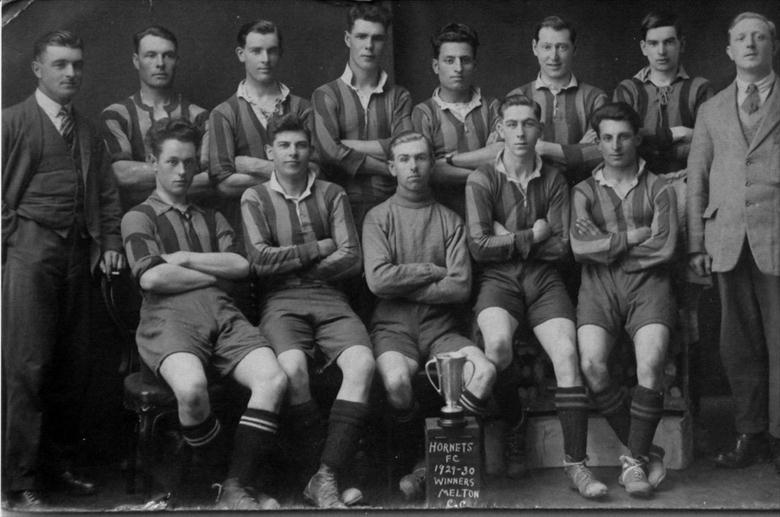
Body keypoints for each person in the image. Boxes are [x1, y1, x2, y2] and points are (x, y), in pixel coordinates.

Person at [121, 118, 287, 510]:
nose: (182, 171)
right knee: (192, 390)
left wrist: (186, 258)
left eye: (189, 162)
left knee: (274, 378)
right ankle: (222, 481)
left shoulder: (212, 216)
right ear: (152, 162)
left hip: (223, 314)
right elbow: (152, 277)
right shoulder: (139, 216)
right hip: (168, 319)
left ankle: (234, 485)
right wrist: (207, 274)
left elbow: (241, 265)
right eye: (172, 162)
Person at [2, 30, 124, 509]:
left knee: (74, 368)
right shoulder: (10, 122)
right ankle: (19, 481)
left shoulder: (89, 129)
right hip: (29, 251)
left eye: (76, 64)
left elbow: (108, 195)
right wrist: (12, 239)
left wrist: (110, 241)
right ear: (37, 68)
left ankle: (58, 467)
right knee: (26, 366)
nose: (71, 73)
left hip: (79, 254)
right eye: (60, 64)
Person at [466, 95, 606, 499]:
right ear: (499, 130)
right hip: (499, 280)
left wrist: (506, 237)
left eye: (529, 124)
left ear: (539, 130)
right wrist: (532, 235)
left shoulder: (555, 179)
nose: (521, 132)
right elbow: (478, 248)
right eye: (512, 124)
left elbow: (561, 247)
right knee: (496, 346)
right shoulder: (482, 179)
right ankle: (514, 424)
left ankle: (577, 465)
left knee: (566, 354)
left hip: (545, 280)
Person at [241, 114, 375, 508]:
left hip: (330, 298)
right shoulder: (255, 197)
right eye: (284, 145)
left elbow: (351, 257)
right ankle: (312, 475)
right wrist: (317, 248)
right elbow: (260, 261)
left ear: (310, 150)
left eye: (300, 145)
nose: (293, 152)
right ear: (270, 152)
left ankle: (327, 475)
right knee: (293, 369)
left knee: (363, 364)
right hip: (280, 302)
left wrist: (298, 265)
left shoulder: (332, 194)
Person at [363, 131, 497, 500]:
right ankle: (414, 458)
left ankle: (430, 465)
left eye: (420, 158)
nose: (413, 166)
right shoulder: (378, 217)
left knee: (483, 372)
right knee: (396, 382)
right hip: (393, 328)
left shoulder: (450, 220)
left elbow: (459, 288)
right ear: (392, 166)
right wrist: (430, 269)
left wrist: (402, 278)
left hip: (442, 330)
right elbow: (378, 281)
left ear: (432, 162)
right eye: (404, 159)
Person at [613, 10, 714, 445]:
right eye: (653, 43)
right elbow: (624, 140)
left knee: (689, 291)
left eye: (669, 42)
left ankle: (683, 389)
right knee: (644, 275)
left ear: (680, 45)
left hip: (692, 188)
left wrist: (658, 138)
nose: (661, 51)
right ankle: (645, 379)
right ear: (643, 47)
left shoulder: (701, 89)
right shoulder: (628, 89)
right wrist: (673, 135)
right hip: (642, 190)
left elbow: (706, 144)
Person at [687, 12, 780, 474]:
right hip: (726, 239)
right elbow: (696, 181)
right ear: (728, 50)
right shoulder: (712, 109)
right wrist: (695, 245)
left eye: (759, 37)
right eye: (741, 38)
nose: (750, 44)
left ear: (773, 46)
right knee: (737, 344)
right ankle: (752, 435)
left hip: (777, 237)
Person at [572, 102, 678, 497]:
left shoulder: (660, 188)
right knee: (592, 365)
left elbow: (664, 248)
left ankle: (633, 463)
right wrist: (633, 237)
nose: (616, 145)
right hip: (598, 285)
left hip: (649, 284)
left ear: (637, 139)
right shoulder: (582, 190)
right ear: (597, 142)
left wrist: (606, 245)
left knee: (650, 362)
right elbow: (580, 248)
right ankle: (648, 449)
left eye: (624, 136)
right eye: (607, 138)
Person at [312, 2, 413, 232]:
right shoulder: (326, 95)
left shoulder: (399, 96)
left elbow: (404, 147)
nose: (369, 46)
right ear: (348, 39)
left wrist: (346, 144)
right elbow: (329, 154)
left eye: (377, 38)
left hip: (392, 206)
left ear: (385, 41)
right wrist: (386, 167)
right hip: (338, 208)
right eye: (361, 36)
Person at [209, 19, 314, 237]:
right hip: (247, 227)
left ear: (280, 53)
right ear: (241, 54)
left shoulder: (302, 108)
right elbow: (224, 185)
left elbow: (314, 171)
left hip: (301, 222)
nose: (265, 59)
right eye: (256, 51)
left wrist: (249, 164)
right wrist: (289, 170)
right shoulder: (224, 113)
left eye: (271, 51)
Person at [100, 25, 210, 212]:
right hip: (133, 220)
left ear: (177, 60)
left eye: (168, 55)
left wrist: (146, 179)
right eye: (151, 55)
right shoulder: (116, 114)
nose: (160, 63)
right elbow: (121, 174)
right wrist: (185, 174)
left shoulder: (199, 116)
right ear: (136, 61)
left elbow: (210, 178)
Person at [411, 23, 502, 218]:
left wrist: (449, 161)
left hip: (492, 212)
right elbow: (428, 171)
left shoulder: (493, 106)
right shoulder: (423, 113)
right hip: (442, 215)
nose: (458, 68)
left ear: (475, 65)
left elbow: (502, 157)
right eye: (450, 60)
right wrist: (483, 170)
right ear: (436, 66)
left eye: (465, 60)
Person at [507, 16, 607, 187]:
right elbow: (507, 155)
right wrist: (576, 150)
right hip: (532, 192)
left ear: (574, 49)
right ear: (534, 48)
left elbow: (602, 152)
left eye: (562, 47)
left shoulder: (595, 98)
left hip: (584, 192)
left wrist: (541, 148)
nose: (554, 56)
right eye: (547, 47)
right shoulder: (516, 97)